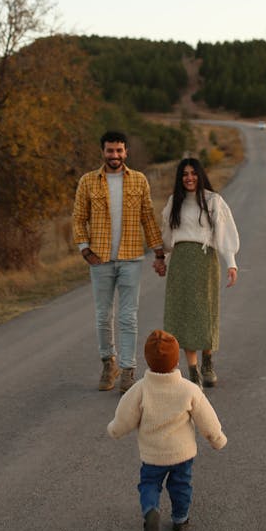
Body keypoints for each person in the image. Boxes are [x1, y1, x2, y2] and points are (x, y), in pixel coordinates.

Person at [107, 329, 227, 531]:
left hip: (153, 455)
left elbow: (125, 417)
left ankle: (151, 509)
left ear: (147, 360)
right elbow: (206, 418)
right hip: (182, 454)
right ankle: (180, 519)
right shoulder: (188, 389)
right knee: (181, 485)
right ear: (175, 361)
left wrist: (115, 430)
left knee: (149, 484)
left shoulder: (140, 389)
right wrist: (217, 438)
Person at [73, 130, 166, 393]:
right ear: (102, 152)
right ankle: (108, 363)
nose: (114, 155)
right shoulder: (88, 181)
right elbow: (79, 218)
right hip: (100, 259)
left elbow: (148, 218)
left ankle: (128, 370)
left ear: (126, 152)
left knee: (128, 316)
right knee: (103, 315)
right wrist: (85, 250)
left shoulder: (138, 180)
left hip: (131, 257)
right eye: (110, 151)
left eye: (119, 151)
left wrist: (158, 252)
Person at [156, 157, 239, 388]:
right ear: (180, 178)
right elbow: (168, 239)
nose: (189, 178)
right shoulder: (175, 202)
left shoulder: (213, 201)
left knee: (205, 313)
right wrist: (161, 258)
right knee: (183, 316)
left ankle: (208, 362)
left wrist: (231, 263)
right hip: (181, 264)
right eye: (184, 174)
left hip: (205, 263)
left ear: (200, 175)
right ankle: (192, 373)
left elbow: (224, 234)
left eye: (193, 173)